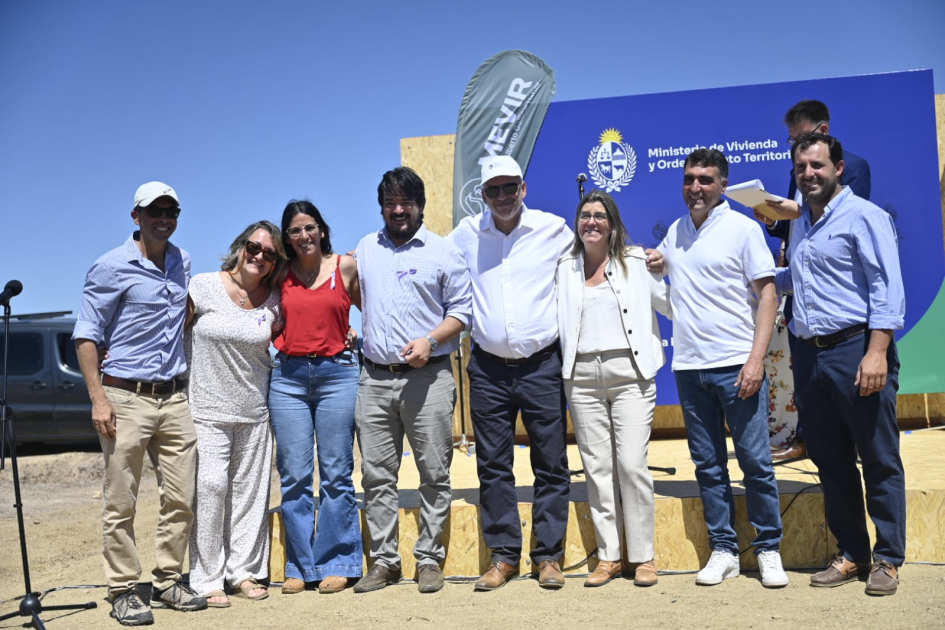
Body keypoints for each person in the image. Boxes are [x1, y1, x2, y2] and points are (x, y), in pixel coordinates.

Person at [774, 133, 905, 596]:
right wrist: (753, 274)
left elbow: (886, 286)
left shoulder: (864, 216)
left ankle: (888, 558)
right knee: (830, 461)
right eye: (801, 168)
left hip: (856, 349)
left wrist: (876, 352)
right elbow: (798, 277)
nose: (808, 174)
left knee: (878, 456)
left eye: (817, 166)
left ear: (839, 168)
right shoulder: (801, 223)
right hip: (809, 354)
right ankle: (853, 552)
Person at [73, 181, 207, 626]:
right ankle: (123, 589)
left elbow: (181, 313)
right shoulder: (110, 267)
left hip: (174, 397)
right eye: (155, 211)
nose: (164, 218)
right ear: (136, 217)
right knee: (121, 500)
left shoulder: (181, 262)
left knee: (183, 495)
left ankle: (168, 580)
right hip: (124, 398)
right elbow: (87, 334)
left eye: (171, 211)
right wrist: (98, 399)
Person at [657, 150, 788, 588]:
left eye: (706, 180)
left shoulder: (744, 229)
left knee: (755, 462)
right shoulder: (675, 232)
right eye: (690, 179)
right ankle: (725, 550)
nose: (696, 187)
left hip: (737, 367)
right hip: (690, 369)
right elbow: (657, 269)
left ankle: (769, 548)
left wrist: (756, 361)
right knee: (708, 466)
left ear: (722, 183)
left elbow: (768, 296)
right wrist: (654, 261)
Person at [447, 155, 573, 591]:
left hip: (542, 365)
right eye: (492, 190)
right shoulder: (463, 236)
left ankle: (549, 557)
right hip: (486, 370)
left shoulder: (554, 230)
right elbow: (431, 273)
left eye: (509, 187)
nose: (501, 197)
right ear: (482, 195)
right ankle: (503, 557)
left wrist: (643, 260)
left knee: (552, 465)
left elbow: (597, 259)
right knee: (493, 467)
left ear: (524, 188)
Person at [353, 166, 472, 594]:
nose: (398, 210)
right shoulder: (366, 248)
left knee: (434, 473)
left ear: (421, 206)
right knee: (376, 476)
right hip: (374, 379)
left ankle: (429, 559)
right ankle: (384, 562)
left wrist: (430, 339)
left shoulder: (443, 252)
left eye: (406, 202)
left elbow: (462, 311)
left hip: (429, 377)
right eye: (390, 203)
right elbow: (351, 293)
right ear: (382, 207)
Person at [556, 190, 672, 588]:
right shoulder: (563, 268)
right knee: (597, 468)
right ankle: (609, 557)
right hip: (582, 378)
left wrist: (667, 266)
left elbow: (672, 305)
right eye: (585, 215)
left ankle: (643, 558)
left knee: (632, 466)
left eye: (600, 216)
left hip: (631, 375)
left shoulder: (637, 262)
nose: (591, 221)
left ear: (613, 223)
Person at [757, 100, 872, 460]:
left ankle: (849, 441)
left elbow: (839, 222)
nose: (798, 153)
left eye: (801, 138)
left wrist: (793, 214)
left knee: (848, 388)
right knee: (805, 377)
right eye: (791, 142)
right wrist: (773, 220)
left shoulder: (854, 167)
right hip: (799, 288)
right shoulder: (796, 172)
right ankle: (809, 439)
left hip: (838, 299)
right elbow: (796, 226)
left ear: (824, 132)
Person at [185, 221, 287, 606]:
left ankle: (242, 572)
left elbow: (294, 338)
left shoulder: (275, 300)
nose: (259, 256)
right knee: (210, 490)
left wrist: (348, 335)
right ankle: (207, 577)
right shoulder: (204, 285)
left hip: (254, 412)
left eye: (269, 253)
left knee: (250, 496)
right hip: (206, 410)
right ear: (240, 246)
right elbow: (172, 330)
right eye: (253, 246)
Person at [269, 200, 363, 595]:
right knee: (293, 475)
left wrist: (360, 337)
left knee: (337, 473)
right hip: (288, 377)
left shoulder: (346, 266)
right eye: (294, 230)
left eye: (309, 228)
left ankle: (338, 561)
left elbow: (373, 311)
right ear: (286, 238)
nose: (303, 236)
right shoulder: (279, 275)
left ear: (321, 230)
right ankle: (300, 566)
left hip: (337, 374)